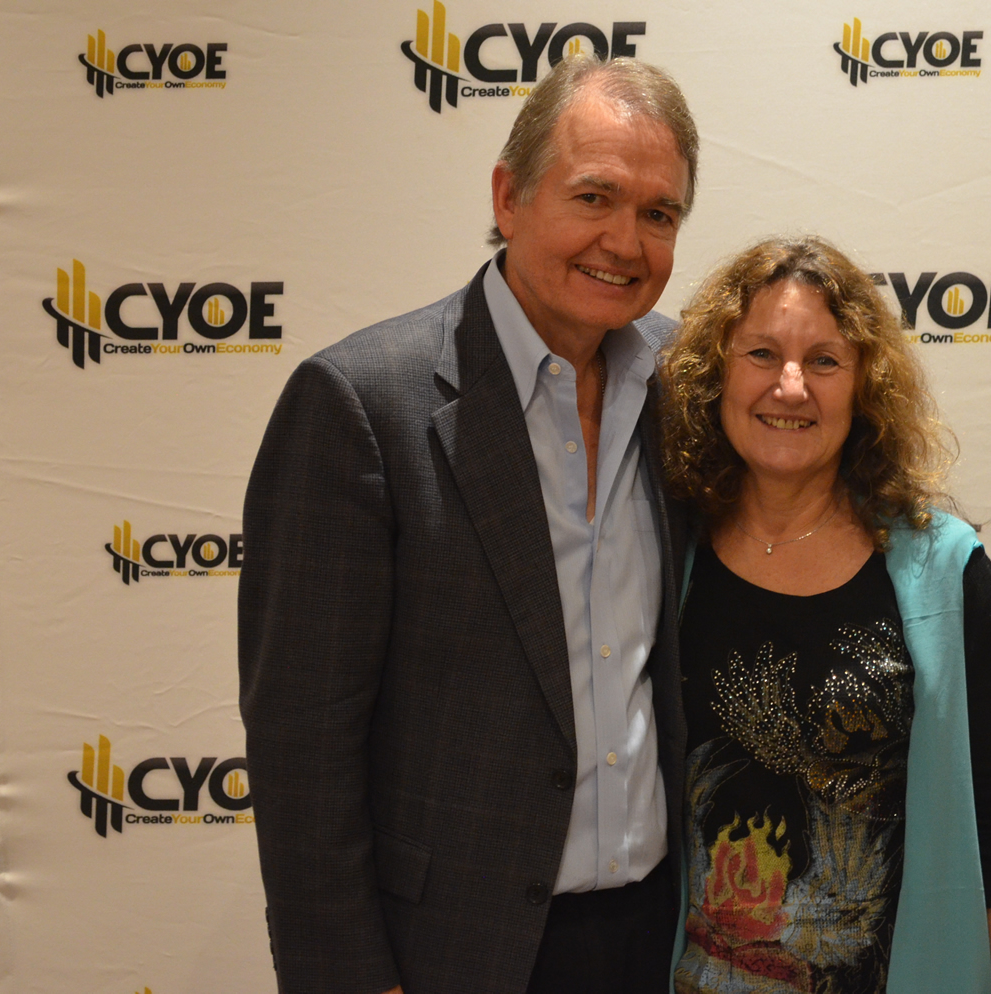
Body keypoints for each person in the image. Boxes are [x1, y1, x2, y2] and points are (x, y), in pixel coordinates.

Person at [239, 56, 698, 994]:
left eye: (660, 214)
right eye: (594, 197)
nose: (624, 241)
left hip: (663, 935)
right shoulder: (362, 405)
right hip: (453, 952)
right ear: (509, 197)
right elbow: (302, 749)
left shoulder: (684, 380)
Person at [658, 236, 991, 994]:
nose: (791, 386)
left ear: (866, 384)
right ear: (715, 373)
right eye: (762, 354)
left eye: (825, 361)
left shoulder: (944, 569)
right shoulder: (667, 556)